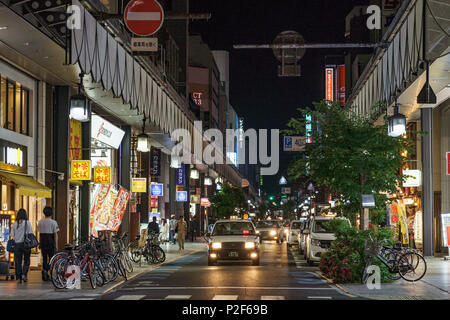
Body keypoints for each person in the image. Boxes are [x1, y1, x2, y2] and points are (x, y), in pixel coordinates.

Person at [10, 209, 33, 283]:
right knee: (26, 260)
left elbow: (12, 235)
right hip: (26, 244)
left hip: (17, 244)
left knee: (18, 261)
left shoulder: (14, 223)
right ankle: (24, 274)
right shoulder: (28, 223)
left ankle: (19, 277)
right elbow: (31, 233)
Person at [37, 206, 59, 281]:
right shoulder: (53, 222)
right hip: (50, 241)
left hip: (43, 241)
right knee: (51, 258)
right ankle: (47, 271)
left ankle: (45, 271)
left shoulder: (40, 222)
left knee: (44, 258)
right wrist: (56, 245)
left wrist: (39, 243)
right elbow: (55, 235)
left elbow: (39, 234)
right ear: (51, 213)